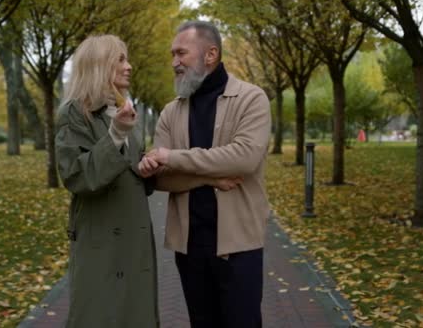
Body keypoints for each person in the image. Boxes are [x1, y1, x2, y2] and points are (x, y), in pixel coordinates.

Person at [139, 21, 271, 328]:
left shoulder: (252, 99)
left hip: (239, 245)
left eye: (181, 53)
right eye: (172, 54)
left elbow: (244, 159)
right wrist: (210, 177)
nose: (174, 62)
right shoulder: (171, 112)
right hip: (190, 246)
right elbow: (158, 177)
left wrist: (173, 157)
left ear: (210, 54)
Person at [55, 34, 158, 328]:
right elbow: (76, 176)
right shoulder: (74, 113)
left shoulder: (124, 111)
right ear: (100, 65)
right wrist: (115, 136)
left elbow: (129, 169)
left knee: (134, 313)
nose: (129, 66)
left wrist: (146, 169)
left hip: (134, 238)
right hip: (101, 237)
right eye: (121, 59)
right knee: (100, 314)